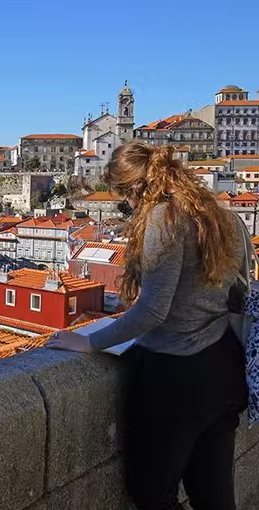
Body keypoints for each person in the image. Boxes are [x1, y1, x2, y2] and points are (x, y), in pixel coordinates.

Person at [47, 142, 248, 510]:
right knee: (215, 497)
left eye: (125, 200)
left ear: (134, 189)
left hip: (177, 373)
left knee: (152, 492)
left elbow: (153, 311)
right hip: (223, 365)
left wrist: (87, 343)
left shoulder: (164, 218)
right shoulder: (220, 215)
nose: (129, 208)